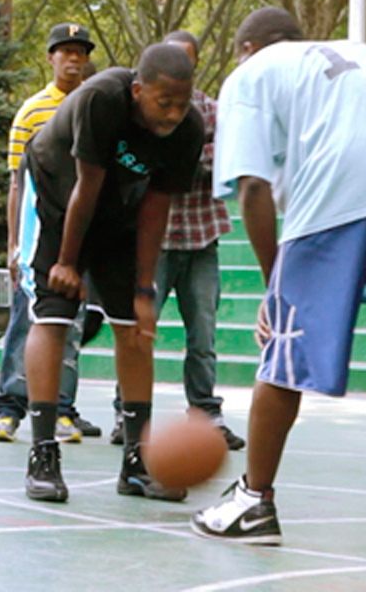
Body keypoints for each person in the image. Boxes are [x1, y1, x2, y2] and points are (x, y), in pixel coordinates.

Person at [189, 8, 366, 561]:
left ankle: (253, 501)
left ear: (246, 47)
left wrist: (272, 286)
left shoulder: (251, 72)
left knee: (284, 349)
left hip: (342, 187)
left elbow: (253, 187)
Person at [19, 43, 203, 503]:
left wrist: (145, 289)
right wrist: (66, 262)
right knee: (55, 317)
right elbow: (86, 184)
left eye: (183, 104)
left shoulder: (188, 129)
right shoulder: (102, 98)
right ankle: (43, 452)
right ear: (138, 90)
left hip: (118, 211)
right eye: (164, 103)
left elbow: (157, 207)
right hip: (56, 198)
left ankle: (137, 463)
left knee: (136, 330)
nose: (174, 114)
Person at [107, 31, 245, 451]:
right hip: (157, 242)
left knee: (203, 335)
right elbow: (145, 164)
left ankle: (206, 411)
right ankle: (124, 412)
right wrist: (184, 154)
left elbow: (227, 159)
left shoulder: (211, 110)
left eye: (185, 60)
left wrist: (184, 155)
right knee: (137, 331)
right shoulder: (137, 108)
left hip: (202, 237)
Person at [0, 23, 100, 445]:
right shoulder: (32, 112)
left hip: (84, 236)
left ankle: (62, 409)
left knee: (70, 327)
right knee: (26, 322)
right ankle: (9, 408)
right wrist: (14, 244)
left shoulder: (95, 107)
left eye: (80, 52)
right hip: (40, 234)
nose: (73, 59)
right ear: (50, 58)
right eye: (64, 51)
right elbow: (16, 183)